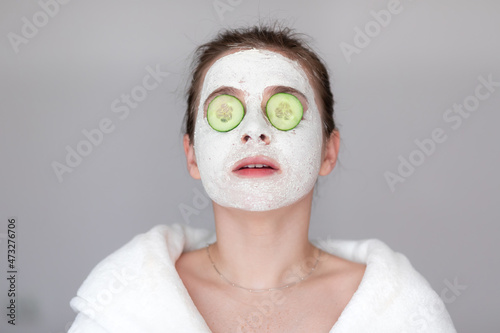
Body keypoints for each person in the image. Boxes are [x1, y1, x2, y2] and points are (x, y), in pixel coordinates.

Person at [68, 25, 457, 333]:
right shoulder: (123, 304)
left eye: (282, 109)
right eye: (226, 111)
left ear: (328, 151)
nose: (254, 131)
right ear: (192, 155)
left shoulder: (403, 311)